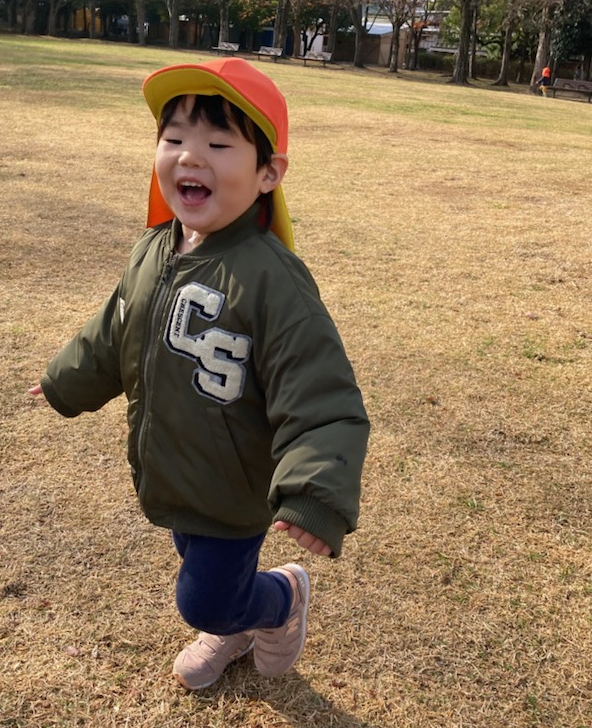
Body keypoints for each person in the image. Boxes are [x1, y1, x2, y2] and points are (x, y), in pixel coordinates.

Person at [29, 58, 369, 691]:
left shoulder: (272, 280)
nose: (190, 155)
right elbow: (116, 328)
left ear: (268, 173)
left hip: (233, 487)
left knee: (204, 599)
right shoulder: (155, 248)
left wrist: (315, 494)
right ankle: (237, 617)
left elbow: (322, 394)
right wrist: (64, 380)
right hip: (172, 467)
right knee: (194, 555)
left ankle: (279, 599)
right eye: (174, 137)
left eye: (218, 143)